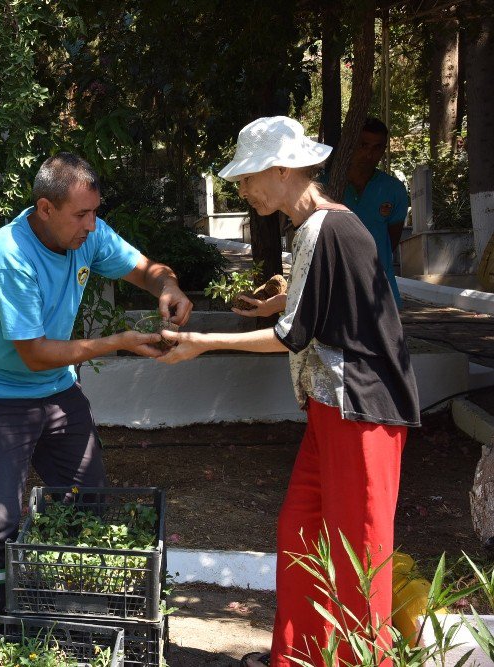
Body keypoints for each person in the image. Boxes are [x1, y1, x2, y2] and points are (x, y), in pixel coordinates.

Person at [158, 117, 420, 667]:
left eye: (249, 177)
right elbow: (327, 306)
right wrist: (278, 302)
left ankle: (361, 661)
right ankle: (298, 657)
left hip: (363, 410)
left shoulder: (329, 227)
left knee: (359, 558)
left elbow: (293, 335)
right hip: (332, 409)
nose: (244, 189)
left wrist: (200, 342)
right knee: (300, 534)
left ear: (281, 169)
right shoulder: (316, 228)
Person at [0, 152, 193, 612]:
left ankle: (65, 611)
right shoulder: (10, 255)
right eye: (81, 214)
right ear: (46, 209)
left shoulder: (87, 234)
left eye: (94, 212)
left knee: (88, 501)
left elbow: (144, 268)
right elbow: (35, 353)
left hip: (56, 390)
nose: (91, 224)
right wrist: (117, 341)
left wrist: (168, 287)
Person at [343, 117, 409, 308]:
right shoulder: (328, 185)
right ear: (351, 144)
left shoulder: (393, 190)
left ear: (383, 150)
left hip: (379, 289)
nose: (369, 154)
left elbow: (392, 239)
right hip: (337, 285)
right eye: (363, 145)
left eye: (377, 147)